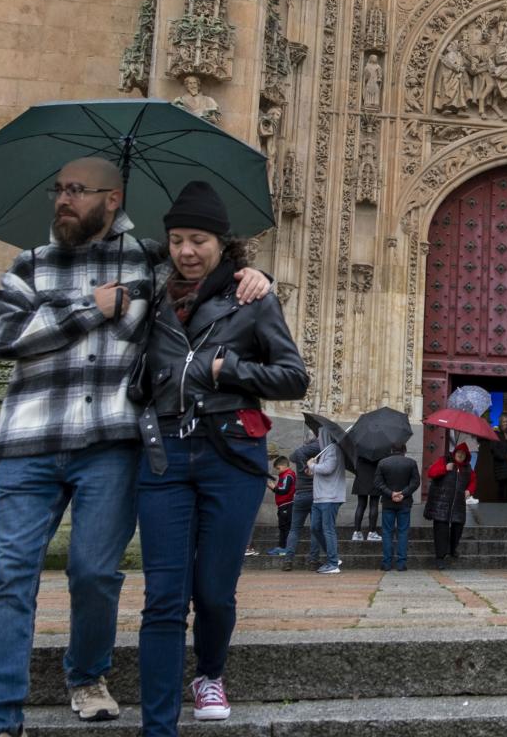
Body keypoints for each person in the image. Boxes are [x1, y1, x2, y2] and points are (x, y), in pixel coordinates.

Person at [0, 157, 266, 737]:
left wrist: (258, 281)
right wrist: (89, 310)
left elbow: (207, 265)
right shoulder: (29, 266)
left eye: (77, 190)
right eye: (58, 189)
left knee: (95, 573)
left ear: (113, 200)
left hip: (110, 444)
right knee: (11, 576)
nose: (62, 199)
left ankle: (87, 676)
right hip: (31, 442)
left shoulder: (149, 261)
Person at [131, 180, 309, 735]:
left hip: (229, 456)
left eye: (199, 240)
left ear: (222, 243)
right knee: (163, 595)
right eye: (178, 239)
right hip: (162, 455)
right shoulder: (149, 296)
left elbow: (293, 377)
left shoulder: (252, 298)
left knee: (212, 588)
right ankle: (158, 723)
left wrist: (227, 370)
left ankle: (209, 673)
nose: (187, 250)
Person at [424, 442, 475, 567]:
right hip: (441, 503)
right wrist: (444, 468)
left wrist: (469, 490)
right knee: (441, 530)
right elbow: (431, 473)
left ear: (466, 456)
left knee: (458, 527)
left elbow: (473, 481)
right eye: (459, 453)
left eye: (463, 454)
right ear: (455, 453)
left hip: (458, 504)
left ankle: (452, 549)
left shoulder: (467, 468)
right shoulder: (444, 460)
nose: (460, 455)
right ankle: (440, 558)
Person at [306, 420, 345, 575]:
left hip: (330, 497)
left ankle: (333, 563)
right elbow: (322, 470)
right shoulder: (326, 450)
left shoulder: (333, 449)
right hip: (320, 497)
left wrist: (312, 466)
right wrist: (313, 468)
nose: (317, 438)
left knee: (328, 529)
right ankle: (333, 555)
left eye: (319, 435)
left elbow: (328, 469)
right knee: (315, 528)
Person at [375, 442, 419, 572]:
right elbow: (415, 482)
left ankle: (387, 563)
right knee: (403, 532)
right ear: (404, 450)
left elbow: (377, 482)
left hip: (388, 502)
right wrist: (403, 493)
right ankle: (401, 563)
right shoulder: (411, 463)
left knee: (387, 532)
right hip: (404, 503)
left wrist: (390, 493)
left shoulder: (383, 463)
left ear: (391, 450)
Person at [282, 434, 320, 571]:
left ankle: (288, 560)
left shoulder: (300, 453)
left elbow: (292, 456)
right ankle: (313, 561)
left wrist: (304, 447)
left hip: (300, 494)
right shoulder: (321, 452)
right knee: (315, 530)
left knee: (294, 529)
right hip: (316, 495)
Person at [265, 456, 295, 555]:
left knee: (285, 527)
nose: (278, 471)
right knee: (283, 527)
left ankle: (285, 548)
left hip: (287, 505)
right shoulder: (285, 475)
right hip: (283, 505)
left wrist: (273, 488)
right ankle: (282, 547)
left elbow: (284, 490)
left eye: (278, 468)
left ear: (283, 466)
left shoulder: (288, 475)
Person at [349, 451, 381, 543]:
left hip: (361, 480)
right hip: (375, 480)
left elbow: (354, 466)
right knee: (374, 505)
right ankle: (372, 533)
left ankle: (357, 532)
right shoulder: (380, 450)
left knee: (360, 505)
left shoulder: (360, 449)